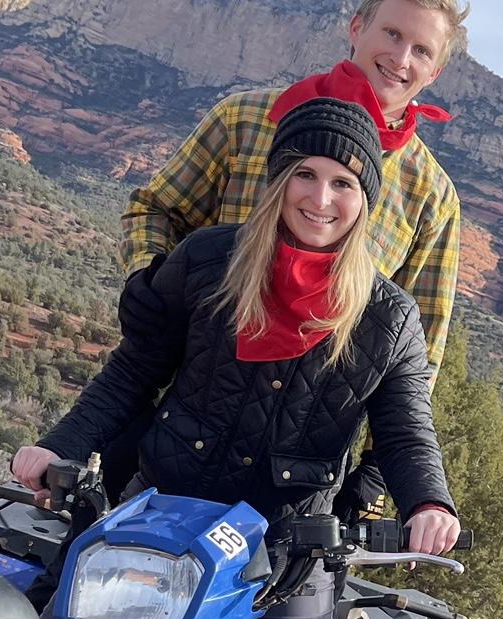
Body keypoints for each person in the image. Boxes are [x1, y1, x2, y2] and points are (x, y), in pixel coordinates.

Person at [12, 98, 460, 619]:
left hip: (284, 549)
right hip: (162, 512)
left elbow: (406, 429)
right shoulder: (206, 261)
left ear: (366, 202)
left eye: (343, 184)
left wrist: (428, 505)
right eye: (304, 174)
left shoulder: (388, 317)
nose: (321, 198)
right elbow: (134, 371)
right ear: (278, 178)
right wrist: (59, 446)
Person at [114, 0, 469, 515]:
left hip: (292, 472)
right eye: (391, 34)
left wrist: (375, 473)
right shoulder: (244, 118)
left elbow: (420, 346)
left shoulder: (431, 195)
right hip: (170, 421)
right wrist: (146, 279)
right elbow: (156, 209)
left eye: (421, 50)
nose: (400, 57)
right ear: (355, 28)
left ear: (434, 71)